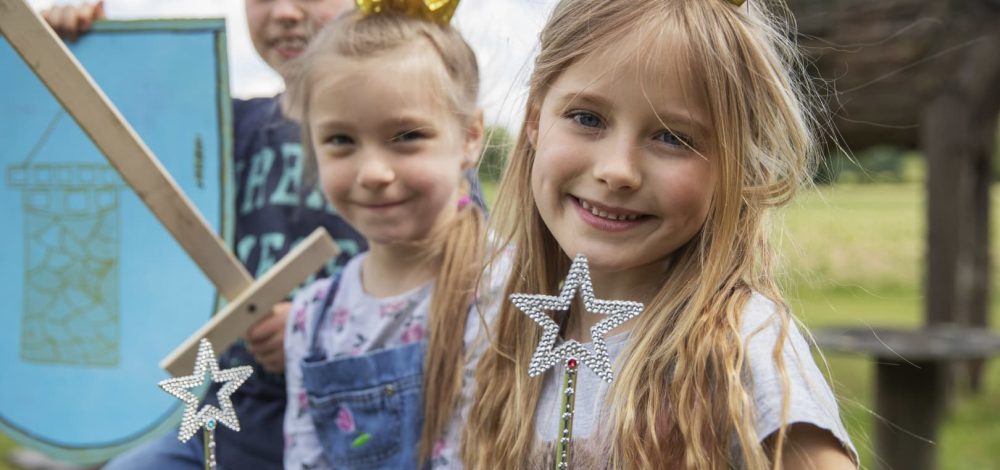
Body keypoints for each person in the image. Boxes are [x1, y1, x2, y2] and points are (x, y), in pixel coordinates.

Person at [462, 0, 859, 468]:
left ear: (736, 165)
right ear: (534, 120)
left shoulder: (737, 349)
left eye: (673, 137)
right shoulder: (504, 325)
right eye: (587, 118)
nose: (618, 171)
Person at [44, 1, 365, 468]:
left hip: (357, 425)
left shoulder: (405, 145)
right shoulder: (221, 128)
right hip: (226, 414)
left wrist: (313, 326)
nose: (285, 12)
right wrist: (87, 51)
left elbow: (449, 288)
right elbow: (119, 135)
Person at [278, 5, 499, 469]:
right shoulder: (312, 318)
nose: (373, 173)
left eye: (405, 136)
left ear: (470, 137)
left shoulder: (506, 289)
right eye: (340, 140)